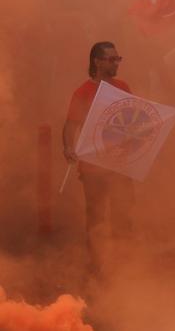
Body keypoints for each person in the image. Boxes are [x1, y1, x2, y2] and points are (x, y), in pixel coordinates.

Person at [64, 42, 135, 269]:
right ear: (97, 62)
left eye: (118, 59)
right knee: (96, 218)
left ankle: (123, 265)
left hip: (120, 164)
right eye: (111, 59)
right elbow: (71, 125)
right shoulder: (83, 92)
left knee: (123, 216)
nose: (116, 63)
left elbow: (135, 117)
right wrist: (68, 147)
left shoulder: (123, 86)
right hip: (94, 167)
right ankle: (97, 266)